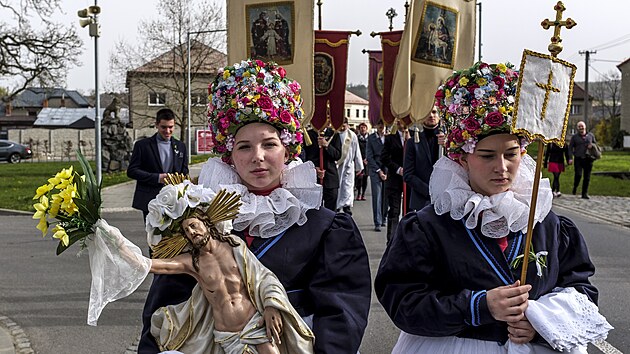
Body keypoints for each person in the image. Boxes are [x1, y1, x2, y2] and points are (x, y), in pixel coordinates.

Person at [139, 59, 372, 354]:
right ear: (229, 156)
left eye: (269, 144)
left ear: (287, 150)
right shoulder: (197, 223)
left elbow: (341, 312)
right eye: (244, 147)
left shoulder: (324, 226)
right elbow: (167, 300)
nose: (257, 157)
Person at [376, 62, 610, 353]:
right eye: (487, 155)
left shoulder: (546, 223)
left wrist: (541, 321)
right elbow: (403, 299)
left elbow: (581, 290)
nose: (502, 168)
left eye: (511, 154)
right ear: (461, 159)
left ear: (523, 153)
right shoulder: (428, 227)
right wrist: (478, 306)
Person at [92, 197, 315, 353]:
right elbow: (147, 264)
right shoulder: (192, 263)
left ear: (206, 223)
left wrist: (271, 305)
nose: (192, 232)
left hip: (254, 323)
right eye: (187, 231)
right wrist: (115, 241)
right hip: (227, 333)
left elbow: (263, 276)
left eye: (194, 226)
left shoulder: (234, 244)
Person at [127, 108, 193, 353]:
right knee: (155, 242)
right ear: (156, 126)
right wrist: (157, 177)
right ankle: (158, 273)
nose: (168, 131)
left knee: (173, 242)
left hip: (174, 204)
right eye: (164, 127)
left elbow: (184, 170)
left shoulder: (180, 146)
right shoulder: (143, 146)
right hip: (150, 201)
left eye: (171, 127)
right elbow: (132, 170)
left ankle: (168, 273)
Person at [403, 106, 445, 211]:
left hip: (444, 199)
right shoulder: (413, 142)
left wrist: (447, 147)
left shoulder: (448, 141)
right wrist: (429, 191)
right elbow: (408, 175)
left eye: (434, 112)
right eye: (427, 113)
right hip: (421, 201)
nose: (431, 115)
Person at [381, 119, 410, 242]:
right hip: (394, 179)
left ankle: (407, 238)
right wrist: (398, 169)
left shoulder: (414, 135)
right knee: (394, 210)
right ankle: (391, 241)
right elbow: (384, 157)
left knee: (408, 211)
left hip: (410, 180)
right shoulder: (390, 138)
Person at [303, 125, 342, 211]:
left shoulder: (334, 134)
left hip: (330, 178)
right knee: (314, 210)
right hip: (313, 179)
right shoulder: (308, 134)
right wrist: (313, 169)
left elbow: (337, 155)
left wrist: (327, 145)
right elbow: (304, 156)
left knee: (331, 210)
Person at [336, 119, 364, 215]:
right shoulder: (335, 134)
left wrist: (359, 166)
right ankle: (337, 206)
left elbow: (357, 150)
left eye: (345, 125)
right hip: (337, 165)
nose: (343, 127)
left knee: (347, 186)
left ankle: (346, 206)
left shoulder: (352, 135)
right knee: (338, 186)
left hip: (349, 165)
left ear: (347, 125)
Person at [366, 121, 387, 232]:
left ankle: (384, 217)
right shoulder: (371, 138)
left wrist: (387, 172)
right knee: (377, 196)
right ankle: (377, 221)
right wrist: (379, 171)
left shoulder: (389, 137)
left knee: (386, 196)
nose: (381, 126)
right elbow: (369, 156)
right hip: (375, 169)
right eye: (379, 124)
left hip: (387, 169)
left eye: (382, 124)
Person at [569, 121, 596, 199]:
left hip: (588, 159)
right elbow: (570, 148)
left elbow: (595, 145)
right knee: (578, 174)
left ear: (585, 127)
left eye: (582, 126)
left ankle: (584, 193)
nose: (581, 128)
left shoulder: (590, 135)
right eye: (579, 127)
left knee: (587, 177)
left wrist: (592, 146)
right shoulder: (575, 137)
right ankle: (575, 186)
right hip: (578, 158)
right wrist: (570, 158)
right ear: (577, 128)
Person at [355, 122, 369, 201]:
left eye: (364, 127)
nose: (363, 129)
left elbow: (370, 149)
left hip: (367, 161)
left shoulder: (369, 138)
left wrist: (367, 159)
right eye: (361, 128)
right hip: (359, 160)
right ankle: (359, 192)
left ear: (366, 129)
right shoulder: (357, 138)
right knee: (359, 178)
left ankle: (363, 193)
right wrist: (360, 159)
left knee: (365, 178)